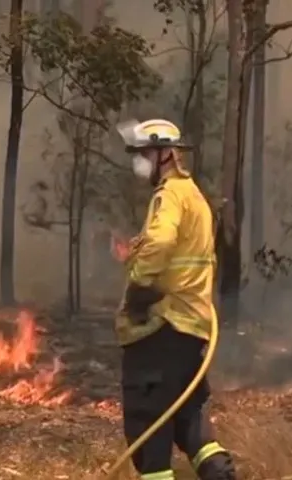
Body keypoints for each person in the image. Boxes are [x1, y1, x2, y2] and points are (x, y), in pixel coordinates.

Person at [112, 119, 237, 480]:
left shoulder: (169, 195)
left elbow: (163, 242)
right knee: (191, 425)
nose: (141, 161)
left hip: (161, 330)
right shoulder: (194, 196)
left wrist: (139, 287)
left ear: (166, 153)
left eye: (145, 152)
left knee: (148, 429)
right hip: (190, 333)